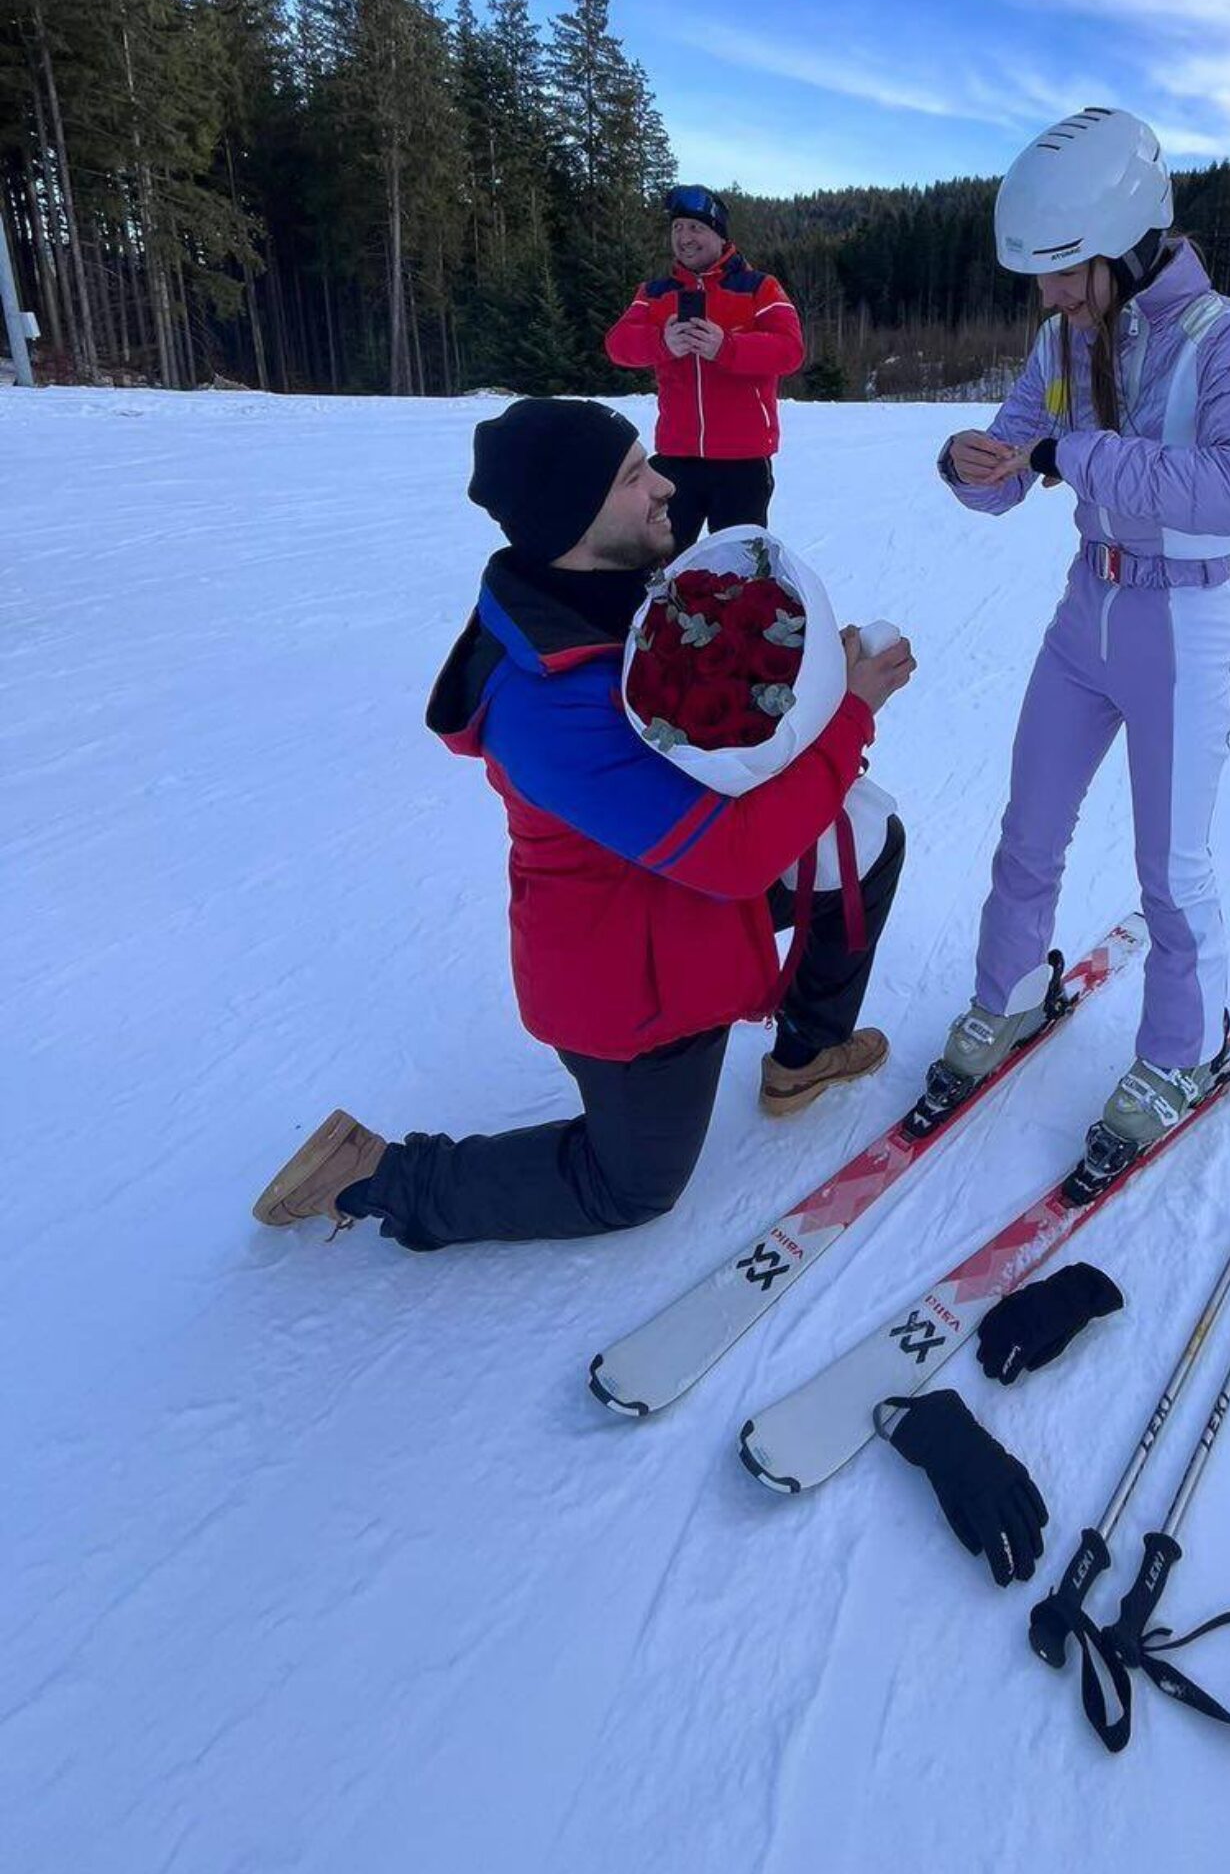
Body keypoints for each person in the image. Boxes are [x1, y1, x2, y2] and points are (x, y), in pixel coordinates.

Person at [253, 397, 914, 1245]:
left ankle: (807, 1053)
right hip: (633, 974)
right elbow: (734, 858)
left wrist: (809, 672)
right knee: (630, 1189)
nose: (665, 485)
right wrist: (850, 714)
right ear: (572, 517)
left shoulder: (611, 586)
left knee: (864, 839)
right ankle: (376, 1175)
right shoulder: (545, 708)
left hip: (691, 899)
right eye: (635, 476)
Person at [931, 107, 1230, 1170]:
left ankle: (1183, 1048)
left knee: (1170, 867)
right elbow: (1013, 457)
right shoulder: (1063, 339)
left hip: (1181, 620)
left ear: (1127, 243)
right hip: (1084, 610)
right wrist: (970, 465)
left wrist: (1073, 457)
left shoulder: (1227, 336)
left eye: (1062, 272)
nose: (1047, 296)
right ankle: (1009, 991)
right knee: (1029, 824)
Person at [604, 184, 804, 555]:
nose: (684, 237)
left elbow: (790, 351)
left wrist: (727, 347)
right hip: (675, 457)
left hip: (742, 460)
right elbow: (617, 345)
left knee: (738, 567)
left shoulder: (759, 287)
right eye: (677, 228)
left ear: (720, 235)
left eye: (696, 228)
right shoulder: (654, 292)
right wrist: (661, 342)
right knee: (661, 564)